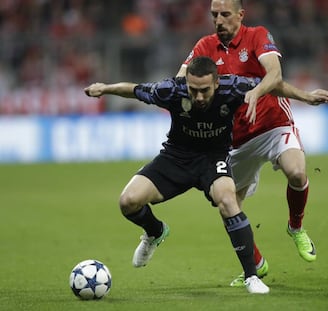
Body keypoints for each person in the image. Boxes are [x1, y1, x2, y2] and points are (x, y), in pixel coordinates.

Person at [176, 0, 328, 287]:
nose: (219, 20)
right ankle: (256, 264)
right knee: (225, 204)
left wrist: (257, 91)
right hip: (235, 139)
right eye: (215, 15)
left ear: (240, 15)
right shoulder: (204, 46)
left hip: (273, 124)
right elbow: (180, 79)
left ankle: (295, 226)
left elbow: (275, 75)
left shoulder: (258, 35)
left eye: (225, 14)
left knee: (297, 172)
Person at [84, 56, 271, 294]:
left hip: (213, 158)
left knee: (227, 199)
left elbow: (273, 82)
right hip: (176, 157)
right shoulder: (171, 90)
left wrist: (305, 96)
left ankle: (251, 277)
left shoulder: (234, 86)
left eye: (204, 90)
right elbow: (134, 89)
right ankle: (155, 232)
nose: (199, 97)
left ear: (216, 83)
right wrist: (105, 89)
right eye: (194, 90)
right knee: (128, 202)